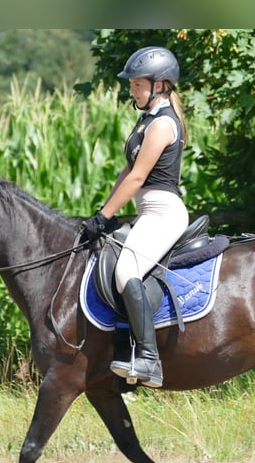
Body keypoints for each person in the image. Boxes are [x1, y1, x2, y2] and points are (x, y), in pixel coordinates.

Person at [81, 46, 190, 388]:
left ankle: (149, 360)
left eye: (138, 84)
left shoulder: (162, 125)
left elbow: (138, 179)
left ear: (160, 85)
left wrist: (105, 215)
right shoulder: (147, 121)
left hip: (164, 213)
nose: (132, 89)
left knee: (127, 269)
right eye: (132, 85)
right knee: (110, 262)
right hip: (147, 211)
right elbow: (126, 173)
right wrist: (103, 212)